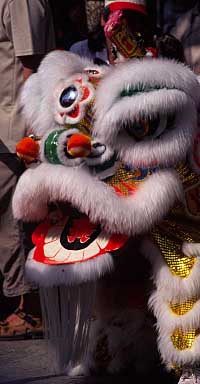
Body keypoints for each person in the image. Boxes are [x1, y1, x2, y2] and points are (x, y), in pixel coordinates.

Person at [0, 0, 56, 339]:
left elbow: (33, 65)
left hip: (16, 128)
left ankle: (29, 308)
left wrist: (33, 133)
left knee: (13, 218)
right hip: (6, 127)